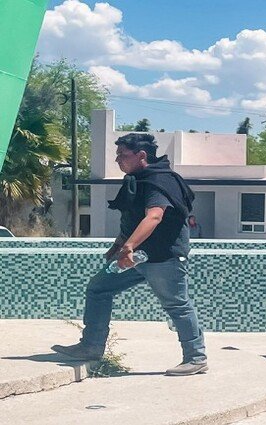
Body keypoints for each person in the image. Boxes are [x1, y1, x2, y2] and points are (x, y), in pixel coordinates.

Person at [52, 133, 207, 376]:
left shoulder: (159, 181)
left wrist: (128, 248)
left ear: (141, 155)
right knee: (99, 288)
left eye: (122, 155)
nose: (117, 160)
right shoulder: (137, 180)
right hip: (137, 256)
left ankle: (196, 357)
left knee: (177, 305)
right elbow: (132, 218)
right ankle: (91, 346)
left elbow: (154, 216)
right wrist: (119, 244)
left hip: (162, 257)